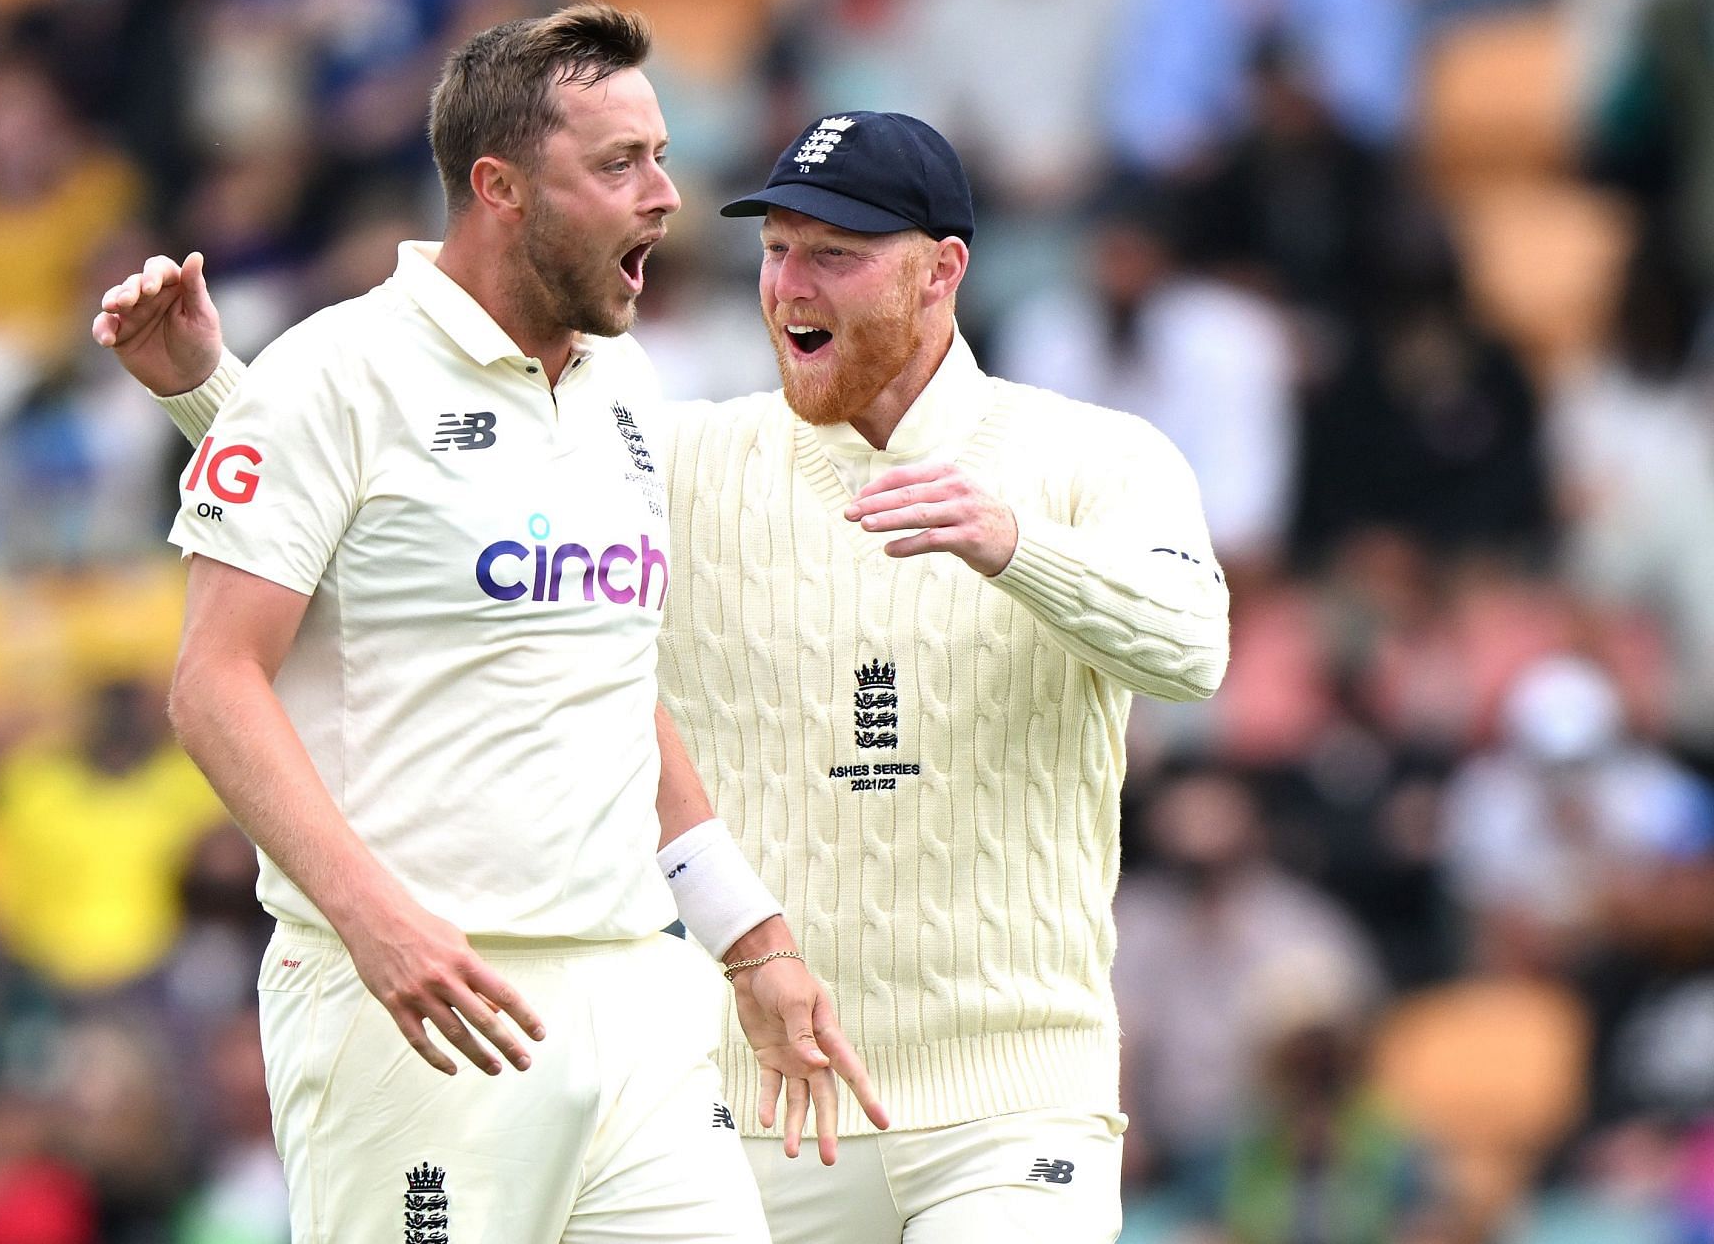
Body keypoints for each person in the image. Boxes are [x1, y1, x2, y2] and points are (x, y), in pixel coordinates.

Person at [106, 109, 1230, 1242]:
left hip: (1014, 1101)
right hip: (756, 1103)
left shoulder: (1095, 458)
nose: (791, 284)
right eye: (776, 248)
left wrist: (1015, 544)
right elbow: (432, 521)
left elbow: (1191, 648)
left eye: (833, 255)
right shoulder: (683, 458)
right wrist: (215, 392)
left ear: (943, 271)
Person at [90, 5, 880, 1244]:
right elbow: (213, 685)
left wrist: (750, 937)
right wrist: (373, 919)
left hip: (634, 998)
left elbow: (611, 678)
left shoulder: (622, 381)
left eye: (660, 155)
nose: (665, 195)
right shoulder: (332, 372)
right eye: (619, 164)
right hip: (420, 1008)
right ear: (500, 186)